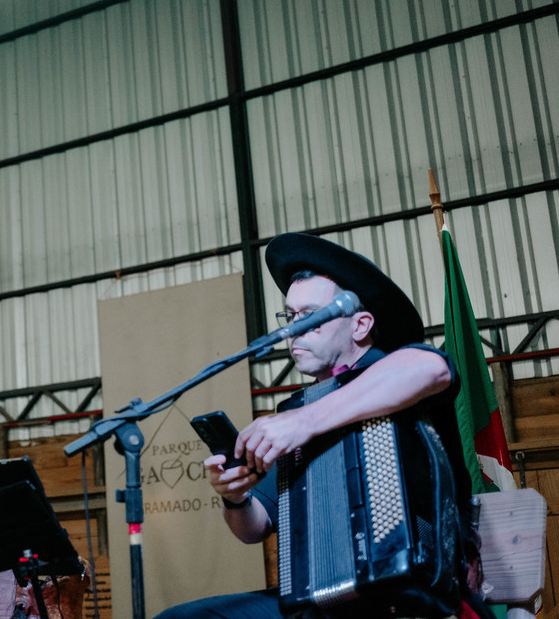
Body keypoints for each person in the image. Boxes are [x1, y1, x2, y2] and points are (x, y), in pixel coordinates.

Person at [155, 232, 488, 619]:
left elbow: (432, 368)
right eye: (290, 317)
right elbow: (253, 529)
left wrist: (302, 423)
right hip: (321, 597)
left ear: (360, 325)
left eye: (311, 316)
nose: (294, 330)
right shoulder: (298, 410)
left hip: (420, 592)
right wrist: (235, 497)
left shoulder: (394, 373)